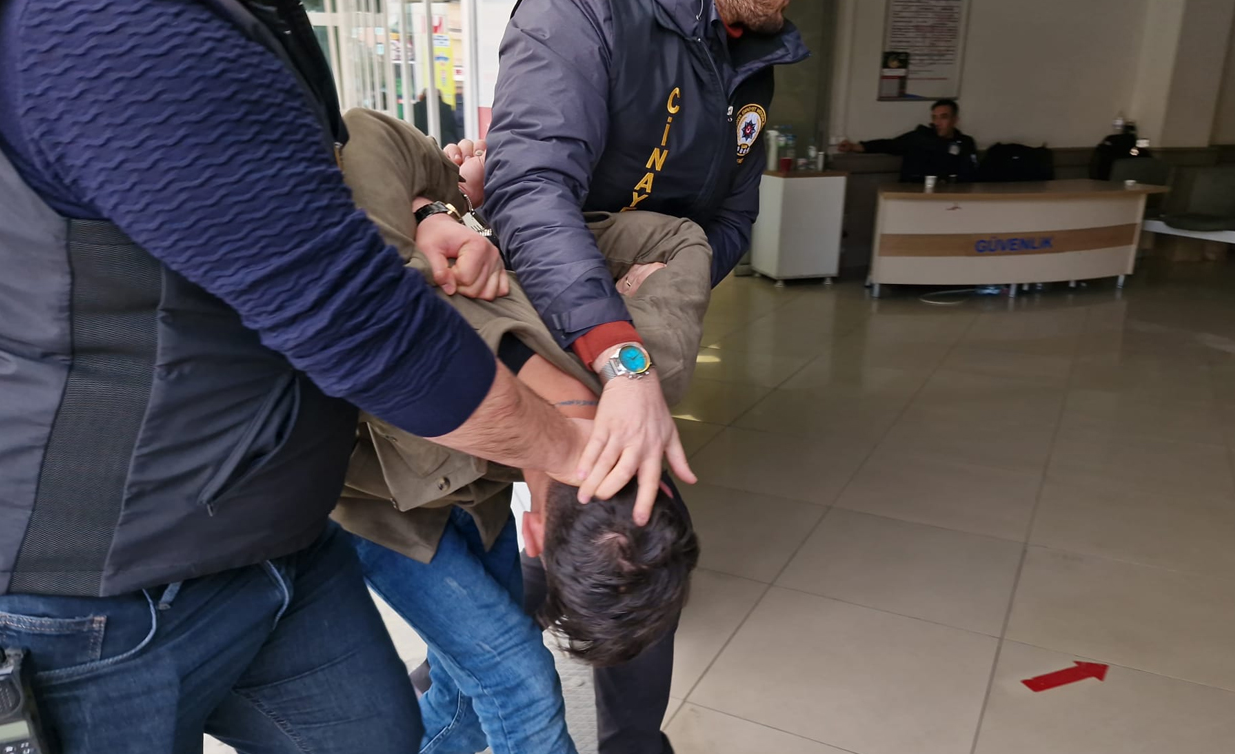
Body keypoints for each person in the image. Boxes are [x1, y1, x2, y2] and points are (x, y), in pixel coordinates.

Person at [0, 1, 611, 752]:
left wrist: (426, 211)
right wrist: (572, 449)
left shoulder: (248, 19)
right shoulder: (105, 23)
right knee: (515, 683)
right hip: (93, 588)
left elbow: (302, 204)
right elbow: (355, 317)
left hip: (278, 531)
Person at [479, 0, 809, 751]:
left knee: (629, 540)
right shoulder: (586, 12)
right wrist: (617, 347)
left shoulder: (753, 57)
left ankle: (627, 736)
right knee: (508, 548)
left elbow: (728, 223)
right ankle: (458, 687)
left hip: (628, 329)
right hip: (546, 317)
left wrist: (654, 303)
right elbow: (528, 189)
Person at [332, 108, 708, 754]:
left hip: (465, 501)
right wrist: (449, 206)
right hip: (384, 512)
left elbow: (678, 243)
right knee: (521, 689)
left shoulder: (648, 364)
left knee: (467, 699)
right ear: (534, 535)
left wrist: (435, 212)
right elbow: (363, 133)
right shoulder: (640, 368)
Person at [838, 99, 979, 183]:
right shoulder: (920, 137)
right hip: (914, 192)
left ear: (955, 120)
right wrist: (853, 147)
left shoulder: (965, 143)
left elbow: (970, 174)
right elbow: (889, 145)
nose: (937, 122)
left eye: (943, 117)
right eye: (934, 117)